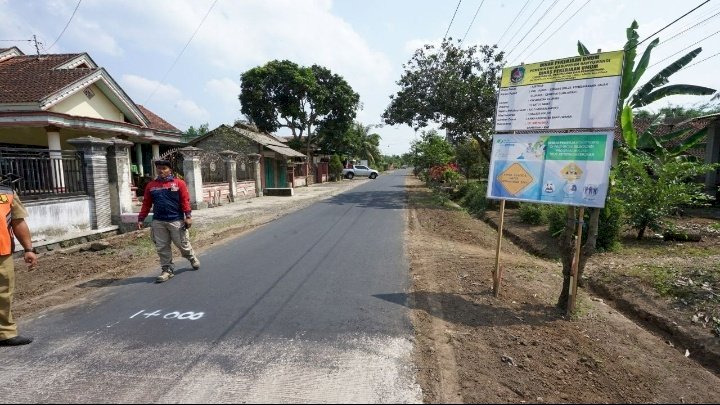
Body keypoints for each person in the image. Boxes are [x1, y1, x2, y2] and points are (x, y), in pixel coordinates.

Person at [137, 160, 200, 283]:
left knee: (182, 244)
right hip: (158, 221)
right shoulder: (151, 186)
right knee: (162, 247)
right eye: (159, 168)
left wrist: (188, 216)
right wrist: (141, 218)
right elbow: (146, 204)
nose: (161, 170)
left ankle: (191, 257)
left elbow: (185, 200)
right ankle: (167, 270)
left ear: (170, 170)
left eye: (164, 168)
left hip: (176, 220)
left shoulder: (178, 183)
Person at [0, 185, 37, 346]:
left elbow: (18, 221)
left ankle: (5, 332)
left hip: (2, 252)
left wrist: (28, 249)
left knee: (3, 293)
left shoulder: (6, 192)